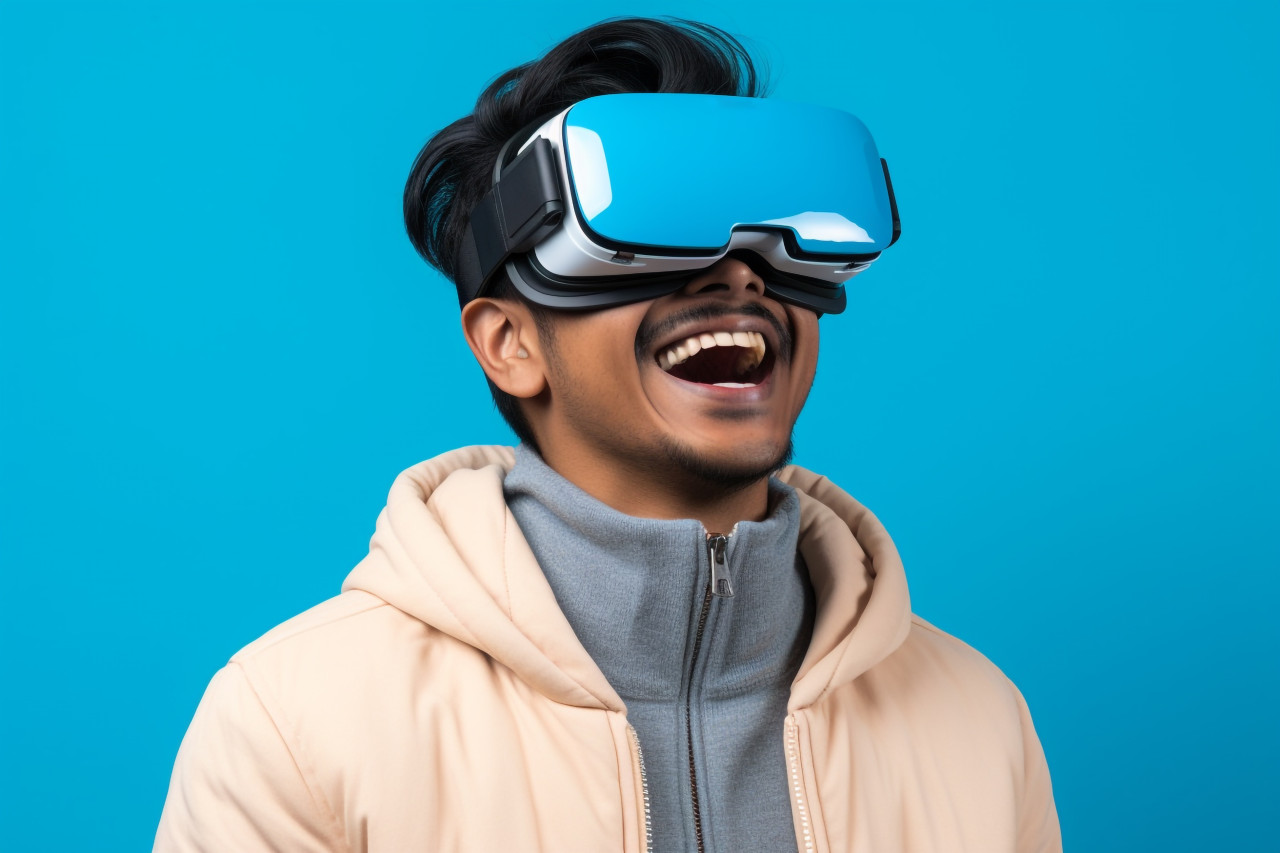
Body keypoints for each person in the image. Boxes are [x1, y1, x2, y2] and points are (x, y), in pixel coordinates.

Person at [154, 17, 1060, 853]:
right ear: (509, 343)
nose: (741, 272)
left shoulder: (978, 720)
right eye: (660, 219)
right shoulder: (296, 722)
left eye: (776, 225)